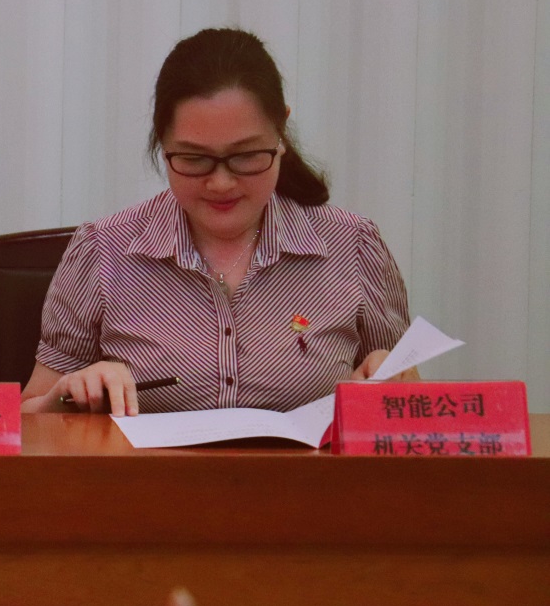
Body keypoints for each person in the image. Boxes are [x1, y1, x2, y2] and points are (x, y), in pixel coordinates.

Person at [22, 28, 414, 416]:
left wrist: (388, 380)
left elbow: (412, 409)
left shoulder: (353, 245)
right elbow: (27, 417)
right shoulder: (103, 251)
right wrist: (65, 396)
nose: (221, 183)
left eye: (246, 156)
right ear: (162, 142)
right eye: (194, 159)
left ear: (281, 132)